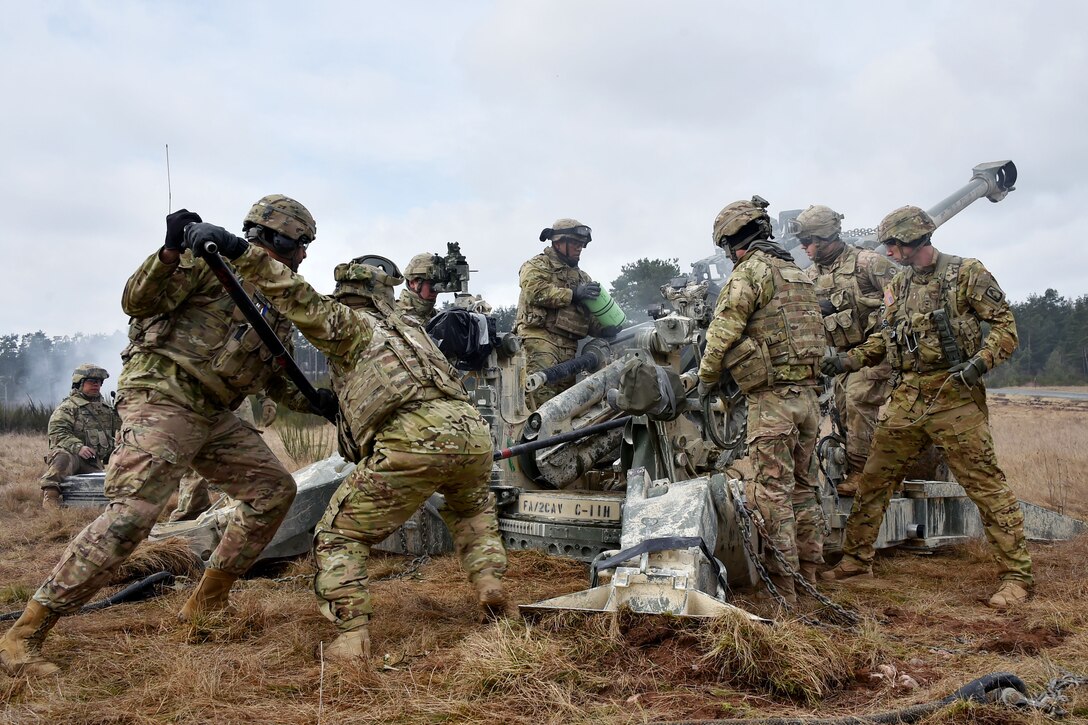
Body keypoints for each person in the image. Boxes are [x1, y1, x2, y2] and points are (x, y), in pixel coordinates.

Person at [0, 195, 334, 678]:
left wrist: (319, 402)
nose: (304, 255)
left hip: (213, 414)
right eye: (300, 243)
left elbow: (276, 377)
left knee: (272, 491)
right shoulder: (207, 263)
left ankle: (207, 602)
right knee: (132, 516)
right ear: (275, 235)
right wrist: (170, 250)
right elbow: (137, 300)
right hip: (163, 397)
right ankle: (24, 634)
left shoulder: (278, 299)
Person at [183, 224, 508, 663]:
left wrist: (237, 250)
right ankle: (490, 585)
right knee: (472, 513)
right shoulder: (410, 329)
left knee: (339, 536)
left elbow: (291, 292)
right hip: (471, 433)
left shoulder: (347, 324)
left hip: (412, 437)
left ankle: (352, 635)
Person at [819, 205, 1032, 610]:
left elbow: (1006, 327)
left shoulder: (966, 273)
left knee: (985, 485)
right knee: (875, 478)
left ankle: (1017, 575)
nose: (890, 252)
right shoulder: (897, 286)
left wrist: (979, 363)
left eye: (894, 245)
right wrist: (847, 359)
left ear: (913, 240)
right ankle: (856, 560)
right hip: (907, 397)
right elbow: (885, 340)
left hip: (954, 395)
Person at [696, 197, 826, 602]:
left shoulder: (749, 273)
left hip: (772, 402)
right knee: (805, 489)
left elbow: (722, 333)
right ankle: (811, 576)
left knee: (772, 492)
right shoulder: (797, 273)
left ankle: (784, 590)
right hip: (807, 399)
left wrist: (705, 379)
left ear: (734, 241)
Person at [797, 205, 897, 495]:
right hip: (843, 359)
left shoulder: (869, 264)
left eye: (809, 241)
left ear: (827, 238)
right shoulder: (809, 277)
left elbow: (901, 303)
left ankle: (861, 474)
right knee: (842, 411)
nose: (804, 247)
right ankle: (860, 465)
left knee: (857, 399)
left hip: (879, 353)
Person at [515, 219, 612, 406]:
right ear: (559, 242)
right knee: (541, 396)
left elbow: (587, 316)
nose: (579, 248)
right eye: (575, 243)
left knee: (564, 403)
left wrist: (604, 329)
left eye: (581, 245)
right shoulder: (537, 265)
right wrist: (572, 294)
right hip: (540, 339)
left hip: (568, 347)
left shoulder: (582, 278)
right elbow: (535, 291)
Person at [168, 393, 278, 522]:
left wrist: (266, 398)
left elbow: (251, 374)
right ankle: (190, 519)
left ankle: (248, 515)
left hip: (234, 403)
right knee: (196, 463)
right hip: (195, 401)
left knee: (247, 462)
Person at [39, 364, 121, 508]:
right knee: (62, 457)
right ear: (79, 383)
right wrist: (78, 447)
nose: (96, 385)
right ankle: (50, 497)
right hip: (72, 456)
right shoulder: (68, 407)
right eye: (92, 381)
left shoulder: (106, 410)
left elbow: (119, 432)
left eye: (99, 382)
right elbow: (57, 432)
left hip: (93, 461)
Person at [398, 252, 443, 324]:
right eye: (432, 283)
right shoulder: (395, 316)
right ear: (412, 283)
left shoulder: (440, 318)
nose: (436, 290)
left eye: (439, 283)